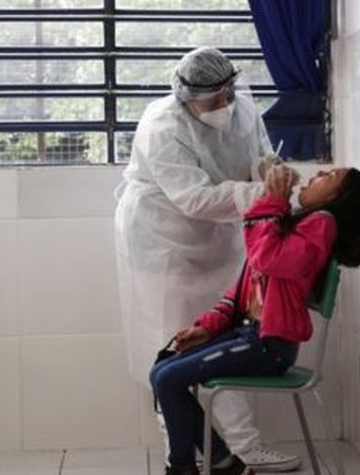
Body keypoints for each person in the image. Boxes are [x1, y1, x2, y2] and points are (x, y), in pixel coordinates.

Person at [114, 47, 300, 472]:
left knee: (220, 342)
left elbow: (258, 153)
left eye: (225, 96)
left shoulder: (243, 109)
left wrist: (268, 168)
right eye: (210, 101)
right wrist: (263, 193)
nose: (222, 108)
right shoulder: (163, 126)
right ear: (185, 96)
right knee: (170, 346)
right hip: (162, 241)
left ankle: (241, 447)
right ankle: (180, 450)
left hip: (216, 235)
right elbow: (193, 198)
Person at [150, 165, 360, 475]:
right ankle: (222, 462)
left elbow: (268, 257)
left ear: (339, 198)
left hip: (268, 345)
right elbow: (245, 285)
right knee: (162, 368)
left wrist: (273, 200)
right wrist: (207, 326)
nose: (320, 172)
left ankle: (184, 467)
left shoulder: (323, 223)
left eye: (331, 176)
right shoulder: (297, 223)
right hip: (248, 335)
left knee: (168, 379)